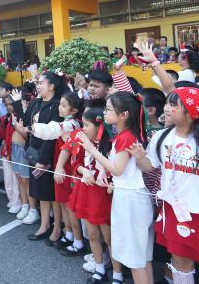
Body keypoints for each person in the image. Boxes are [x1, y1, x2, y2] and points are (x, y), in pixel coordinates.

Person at [129, 87, 199, 282]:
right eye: (167, 103)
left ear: (192, 112)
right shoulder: (161, 138)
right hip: (174, 210)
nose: (166, 108)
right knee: (180, 263)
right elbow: (150, 167)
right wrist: (140, 158)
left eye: (173, 105)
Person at [78, 92, 153, 284]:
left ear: (123, 115)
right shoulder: (129, 134)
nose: (104, 113)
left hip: (130, 200)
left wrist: (91, 149)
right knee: (143, 258)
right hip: (134, 196)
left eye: (109, 109)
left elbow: (117, 170)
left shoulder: (124, 137)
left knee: (136, 260)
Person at [68, 108, 121, 284]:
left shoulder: (112, 144)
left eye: (87, 125)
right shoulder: (84, 141)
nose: (83, 128)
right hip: (87, 190)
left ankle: (117, 275)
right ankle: (99, 269)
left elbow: (116, 170)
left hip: (104, 194)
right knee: (92, 234)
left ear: (99, 126)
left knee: (109, 237)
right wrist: (83, 170)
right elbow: (75, 163)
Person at [14, 71, 65, 240]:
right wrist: (16, 106)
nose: (38, 85)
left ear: (52, 86)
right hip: (33, 152)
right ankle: (44, 224)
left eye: (42, 82)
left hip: (47, 156)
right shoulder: (36, 102)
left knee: (51, 193)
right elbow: (27, 123)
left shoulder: (57, 105)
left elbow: (52, 137)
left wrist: (43, 161)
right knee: (41, 193)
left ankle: (57, 227)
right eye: (38, 82)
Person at [38, 92, 83, 250]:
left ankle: (78, 240)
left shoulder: (71, 124)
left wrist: (31, 127)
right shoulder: (66, 122)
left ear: (74, 111)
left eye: (64, 106)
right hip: (60, 166)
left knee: (69, 205)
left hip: (68, 168)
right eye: (60, 104)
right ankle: (69, 233)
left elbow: (48, 131)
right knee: (63, 202)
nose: (60, 108)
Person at [0, 95, 27, 215]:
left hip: (16, 152)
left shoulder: (21, 117)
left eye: (11, 104)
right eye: (6, 104)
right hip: (6, 151)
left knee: (16, 179)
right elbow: (3, 136)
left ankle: (18, 202)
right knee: (8, 178)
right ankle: (13, 199)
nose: (9, 107)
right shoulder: (5, 118)